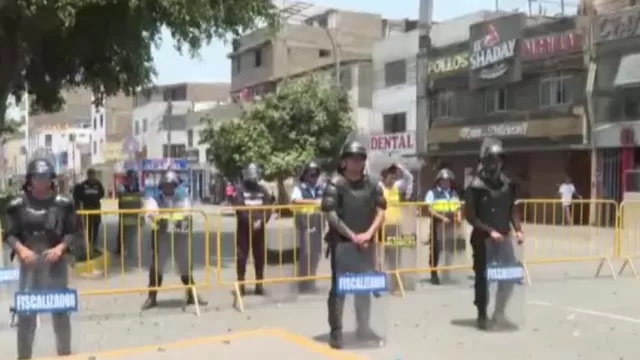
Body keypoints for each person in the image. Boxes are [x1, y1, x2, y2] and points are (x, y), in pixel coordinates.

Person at [3, 157, 78, 359]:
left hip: (56, 265)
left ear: (51, 179)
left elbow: (73, 232)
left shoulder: (64, 204)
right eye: (37, 177)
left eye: (45, 177)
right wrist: (21, 250)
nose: (41, 181)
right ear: (30, 179)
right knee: (26, 316)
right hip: (29, 267)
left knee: (61, 314)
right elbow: (9, 234)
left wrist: (61, 248)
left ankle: (65, 354)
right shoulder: (17, 205)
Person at [321, 141, 387, 349]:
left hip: (366, 244)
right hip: (342, 244)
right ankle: (336, 331)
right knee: (339, 290)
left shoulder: (373, 183)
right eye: (352, 159)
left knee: (363, 288)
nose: (356, 162)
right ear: (344, 161)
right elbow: (330, 214)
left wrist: (367, 235)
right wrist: (352, 236)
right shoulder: (335, 183)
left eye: (360, 159)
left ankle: (363, 327)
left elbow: (381, 211)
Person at [464, 138, 524, 330]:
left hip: (504, 239)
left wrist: (519, 229)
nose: (495, 164)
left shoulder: (508, 184)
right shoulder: (475, 186)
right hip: (483, 240)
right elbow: (471, 217)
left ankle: (499, 312)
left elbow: (512, 210)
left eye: (498, 160)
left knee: (509, 276)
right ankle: (482, 314)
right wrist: (490, 231)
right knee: (483, 278)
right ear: (484, 161)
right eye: (491, 160)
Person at [140, 171, 208, 310]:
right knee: (156, 269)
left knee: (185, 267)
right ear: (162, 186)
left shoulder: (182, 198)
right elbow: (149, 215)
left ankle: (192, 294)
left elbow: (187, 213)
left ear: (175, 185)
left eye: (171, 185)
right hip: (162, 237)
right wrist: (156, 217)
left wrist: (167, 217)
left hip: (179, 236)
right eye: (166, 185)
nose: (169, 188)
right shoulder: (154, 199)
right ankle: (151, 297)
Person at [233, 163, 275, 296]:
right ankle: (241, 284)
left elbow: (268, 207)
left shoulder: (262, 190)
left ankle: (259, 284)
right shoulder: (240, 189)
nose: (253, 177)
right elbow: (239, 208)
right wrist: (251, 222)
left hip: (260, 228)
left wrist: (261, 221)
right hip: (244, 229)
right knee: (241, 256)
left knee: (260, 256)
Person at [378, 162, 414, 290]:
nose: (393, 179)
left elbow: (409, 179)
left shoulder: (397, 186)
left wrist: (400, 167)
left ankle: (394, 283)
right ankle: (381, 284)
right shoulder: (379, 187)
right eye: (390, 177)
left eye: (394, 177)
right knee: (381, 256)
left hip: (396, 226)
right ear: (384, 177)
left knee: (395, 256)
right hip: (382, 227)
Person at [424, 168, 462, 285]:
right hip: (438, 223)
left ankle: (447, 273)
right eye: (444, 180)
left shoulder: (453, 193)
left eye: (448, 180)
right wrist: (442, 218)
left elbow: (458, 207)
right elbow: (429, 209)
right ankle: (434, 274)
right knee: (436, 250)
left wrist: (459, 216)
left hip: (451, 224)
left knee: (450, 249)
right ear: (439, 181)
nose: (447, 183)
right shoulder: (433, 193)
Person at [291, 161, 324, 293]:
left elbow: (325, 200)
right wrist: (314, 202)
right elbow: (295, 200)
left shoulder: (319, 187)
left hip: (317, 222)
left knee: (316, 253)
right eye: (312, 175)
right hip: (304, 223)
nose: (314, 178)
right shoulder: (299, 187)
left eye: (316, 175)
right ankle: (302, 283)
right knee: (305, 254)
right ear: (305, 175)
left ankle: (312, 281)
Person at [72, 168, 105, 255]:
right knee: (88, 227)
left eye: (93, 174)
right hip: (87, 210)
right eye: (90, 174)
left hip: (96, 209)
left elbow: (102, 194)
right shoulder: (83, 185)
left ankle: (94, 244)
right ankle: (89, 244)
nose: (92, 176)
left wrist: (95, 198)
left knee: (96, 226)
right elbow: (79, 197)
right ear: (88, 175)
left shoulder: (98, 184)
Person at [115, 170, 143, 262]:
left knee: (134, 233)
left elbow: (141, 197)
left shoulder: (138, 188)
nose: (132, 179)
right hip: (125, 213)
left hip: (135, 214)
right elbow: (121, 196)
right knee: (122, 232)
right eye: (131, 177)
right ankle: (120, 249)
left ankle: (135, 251)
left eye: (134, 178)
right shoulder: (123, 187)